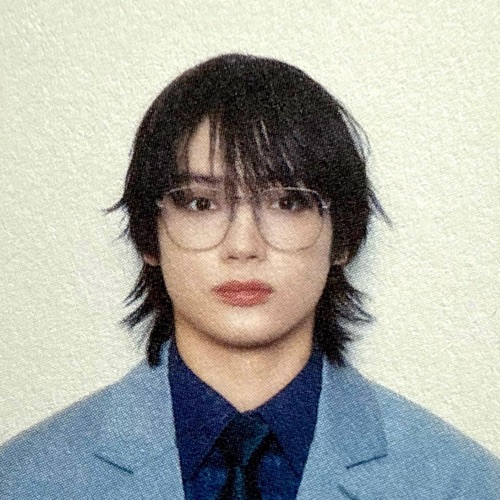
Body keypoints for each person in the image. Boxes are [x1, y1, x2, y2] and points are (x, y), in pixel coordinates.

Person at [1, 53, 498, 499]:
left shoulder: (464, 483)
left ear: (343, 238)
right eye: (200, 203)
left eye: (288, 202)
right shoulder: (23, 480)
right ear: (149, 235)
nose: (243, 246)